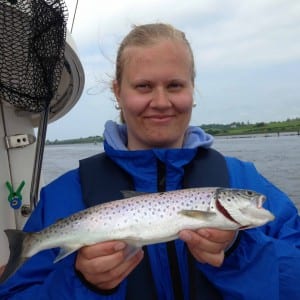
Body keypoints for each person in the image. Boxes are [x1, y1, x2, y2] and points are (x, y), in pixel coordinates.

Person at [0, 22, 300, 300]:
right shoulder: (64, 194)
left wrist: (239, 251)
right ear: (118, 92)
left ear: (192, 90)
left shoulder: (244, 178)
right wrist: (83, 282)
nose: (160, 102)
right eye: (143, 86)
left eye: (175, 85)